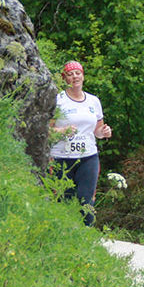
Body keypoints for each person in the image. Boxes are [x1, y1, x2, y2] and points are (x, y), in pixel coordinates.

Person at [49, 60, 112, 226]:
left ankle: (87, 238)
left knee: (86, 201)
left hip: (88, 156)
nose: (75, 77)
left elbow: (97, 130)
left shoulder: (93, 101)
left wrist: (104, 132)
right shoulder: (58, 100)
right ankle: (64, 238)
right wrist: (63, 131)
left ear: (83, 76)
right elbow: (47, 131)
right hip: (61, 157)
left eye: (78, 73)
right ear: (64, 78)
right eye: (70, 74)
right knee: (65, 201)